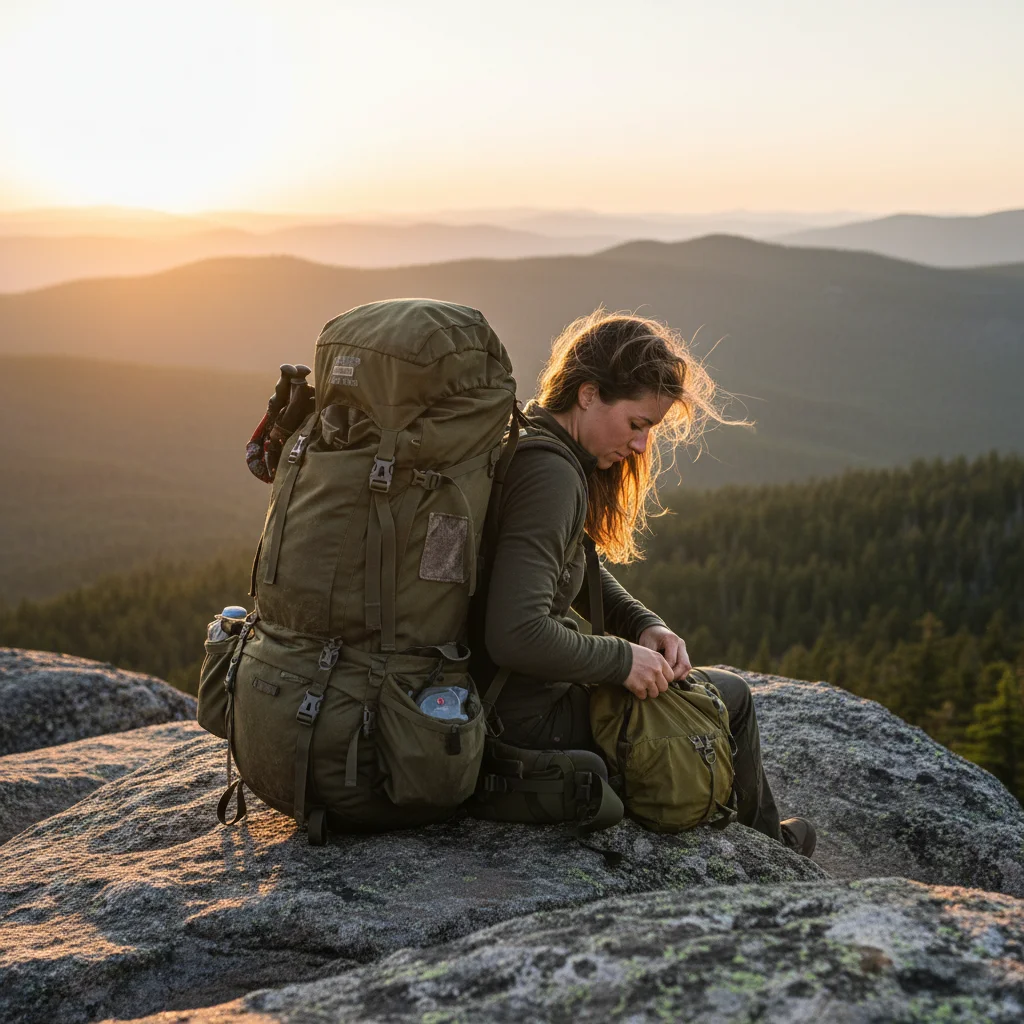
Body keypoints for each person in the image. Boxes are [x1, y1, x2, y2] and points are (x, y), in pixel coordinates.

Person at [473, 309, 816, 856]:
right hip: (522, 720)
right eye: (637, 425)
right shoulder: (551, 477)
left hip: (499, 700)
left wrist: (641, 623)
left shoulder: (532, 442)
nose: (638, 447)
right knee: (729, 697)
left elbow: (570, 565)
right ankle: (766, 851)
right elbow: (514, 633)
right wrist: (622, 660)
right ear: (588, 394)